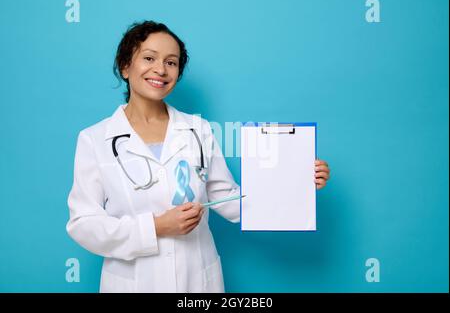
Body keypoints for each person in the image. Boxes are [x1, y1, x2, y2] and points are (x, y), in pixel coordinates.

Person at [66, 20, 331, 293]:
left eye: (172, 62)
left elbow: (230, 199)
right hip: (134, 282)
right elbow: (83, 224)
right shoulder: (94, 139)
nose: (161, 69)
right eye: (149, 58)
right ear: (125, 66)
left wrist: (296, 180)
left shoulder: (198, 129)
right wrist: (155, 227)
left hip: (197, 281)